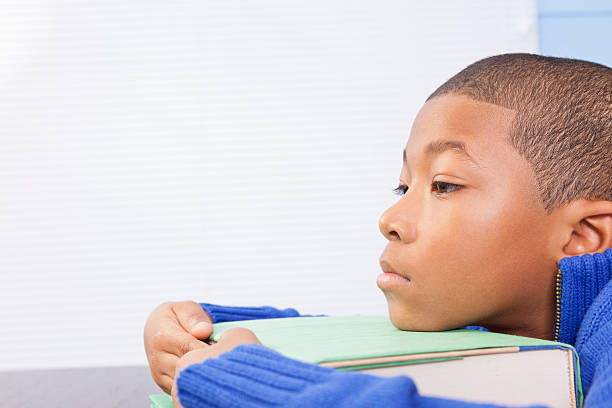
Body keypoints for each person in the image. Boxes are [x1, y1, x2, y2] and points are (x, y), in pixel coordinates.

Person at [143, 54, 612, 408]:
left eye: (443, 185)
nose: (390, 220)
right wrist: (205, 325)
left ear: (583, 236)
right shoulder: (504, 316)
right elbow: (360, 341)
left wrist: (254, 387)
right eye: (402, 186)